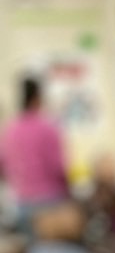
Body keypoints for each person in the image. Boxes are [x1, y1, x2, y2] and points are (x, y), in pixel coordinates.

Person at [0, 76, 69, 229]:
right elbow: (58, 167)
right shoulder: (48, 127)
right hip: (50, 200)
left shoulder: (10, 130)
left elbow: (2, 167)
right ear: (38, 98)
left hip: (22, 201)